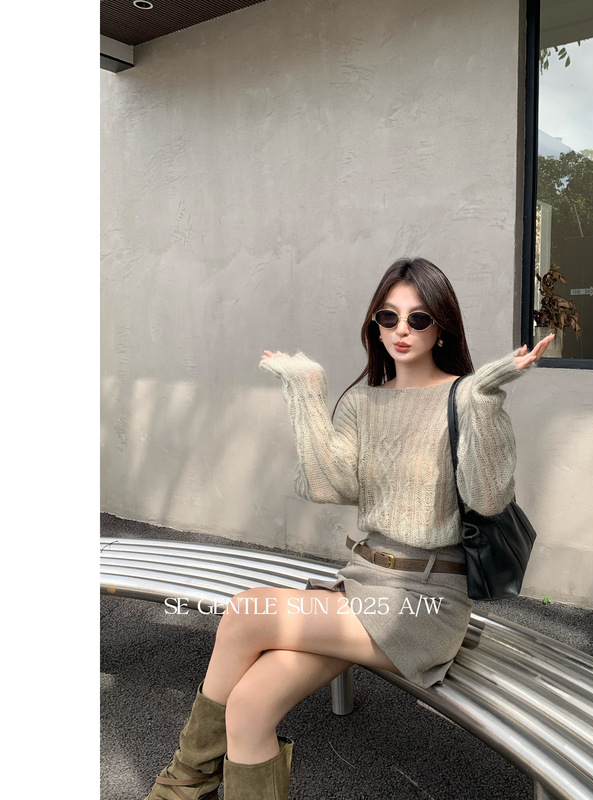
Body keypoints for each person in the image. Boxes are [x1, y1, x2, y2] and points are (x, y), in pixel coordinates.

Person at [145, 257, 553, 800]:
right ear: (374, 325)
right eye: (388, 317)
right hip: (361, 586)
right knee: (247, 706)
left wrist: (483, 400)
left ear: (442, 328)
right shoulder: (363, 401)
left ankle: (181, 783)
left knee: (246, 612)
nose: (401, 330)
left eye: (418, 318)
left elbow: (488, 498)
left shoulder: (464, 397)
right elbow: (328, 485)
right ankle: (188, 781)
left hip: (424, 603)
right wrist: (307, 389)